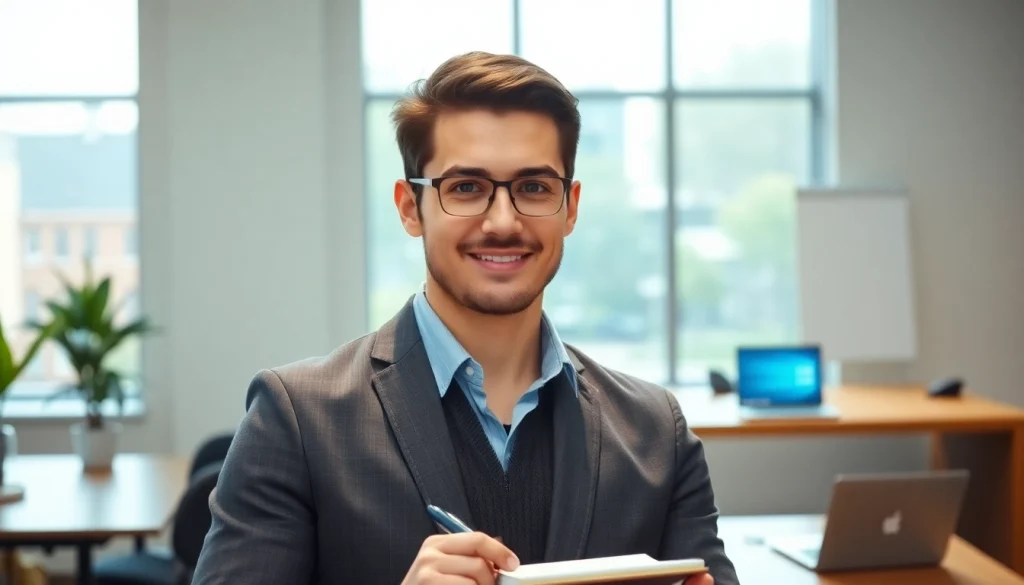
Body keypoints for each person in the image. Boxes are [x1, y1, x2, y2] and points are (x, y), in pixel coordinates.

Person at [191, 51, 739, 585]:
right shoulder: (298, 420)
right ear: (411, 207)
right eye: (467, 188)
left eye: (533, 188)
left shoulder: (654, 432)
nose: (503, 222)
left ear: (569, 207)